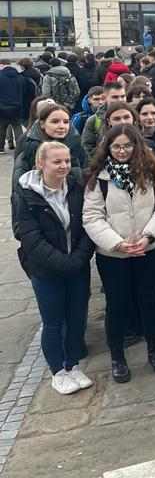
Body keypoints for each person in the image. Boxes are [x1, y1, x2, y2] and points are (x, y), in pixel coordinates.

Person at [83, 125, 155, 383]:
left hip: (151, 247)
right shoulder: (98, 178)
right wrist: (117, 243)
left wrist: (148, 235)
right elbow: (92, 217)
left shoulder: (154, 171)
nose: (122, 151)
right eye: (116, 146)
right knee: (117, 304)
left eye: (127, 145)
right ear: (108, 148)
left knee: (149, 299)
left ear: (136, 145)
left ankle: (154, 349)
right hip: (114, 254)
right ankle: (117, 356)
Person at [13, 142, 95, 395]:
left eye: (67, 161)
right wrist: (64, 263)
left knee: (76, 318)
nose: (64, 166)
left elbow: (88, 223)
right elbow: (28, 235)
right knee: (53, 321)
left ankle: (73, 364)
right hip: (46, 270)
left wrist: (79, 258)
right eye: (57, 162)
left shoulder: (77, 186)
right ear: (41, 164)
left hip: (77, 265)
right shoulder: (25, 194)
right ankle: (58, 370)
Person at [13, 102, 87, 182]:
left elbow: (86, 169)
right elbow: (20, 184)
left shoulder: (76, 144)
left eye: (66, 122)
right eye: (55, 122)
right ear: (42, 124)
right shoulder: (31, 147)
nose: (62, 126)